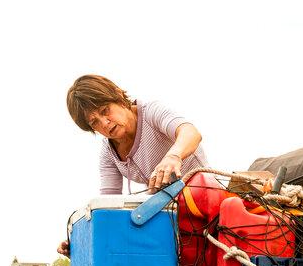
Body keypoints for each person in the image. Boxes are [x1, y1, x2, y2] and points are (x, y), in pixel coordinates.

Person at [58, 75, 209, 256]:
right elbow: (108, 206)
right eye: (94, 122)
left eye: (105, 110)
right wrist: (80, 241)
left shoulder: (151, 112)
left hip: (203, 201)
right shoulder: (108, 153)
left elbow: (190, 133)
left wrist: (173, 156)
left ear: (119, 97)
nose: (105, 123)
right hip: (169, 218)